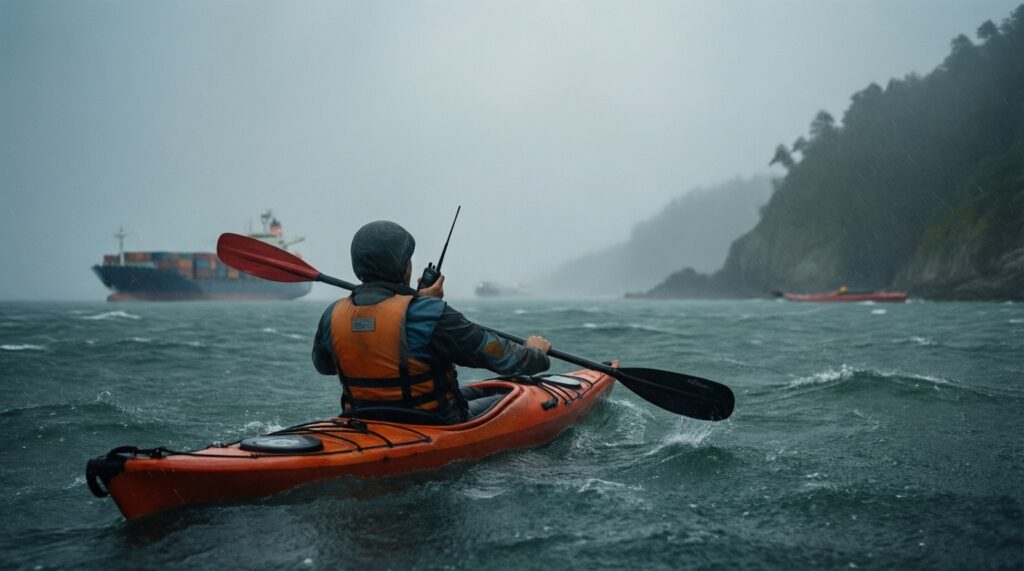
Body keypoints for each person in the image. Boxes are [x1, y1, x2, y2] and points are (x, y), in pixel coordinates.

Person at [312, 220, 552, 424]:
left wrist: (416, 302)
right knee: (516, 391)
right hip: (430, 422)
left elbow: (324, 365)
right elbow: (495, 354)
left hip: (362, 418)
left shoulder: (332, 314)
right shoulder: (429, 314)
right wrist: (535, 355)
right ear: (402, 266)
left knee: (485, 389)